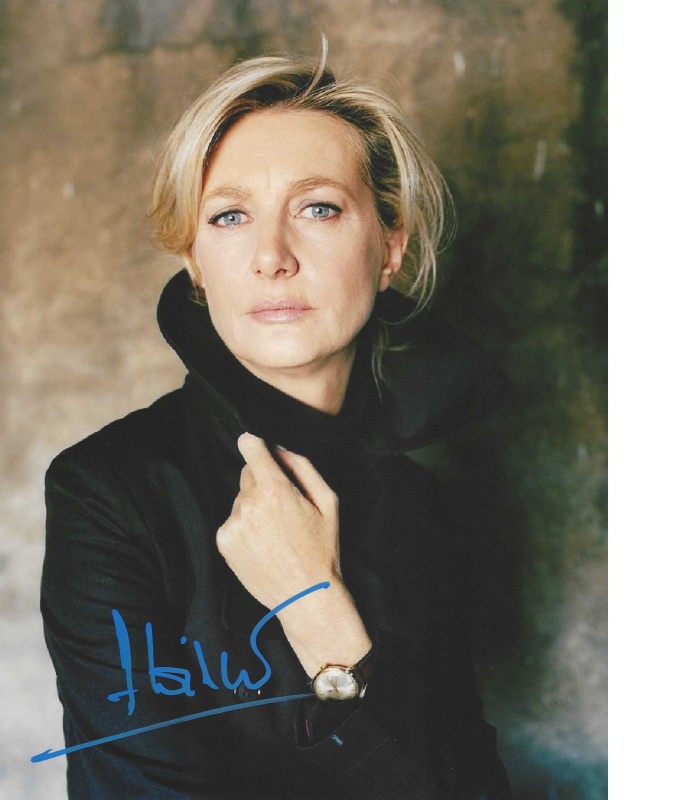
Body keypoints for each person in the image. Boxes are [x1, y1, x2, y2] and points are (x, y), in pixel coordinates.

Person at [41, 47, 511, 800]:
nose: (271, 256)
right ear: (197, 262)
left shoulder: (427, 512)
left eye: (317, 208)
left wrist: (315, 606)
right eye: (230, 216)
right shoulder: (110, 492)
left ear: (390, 246)